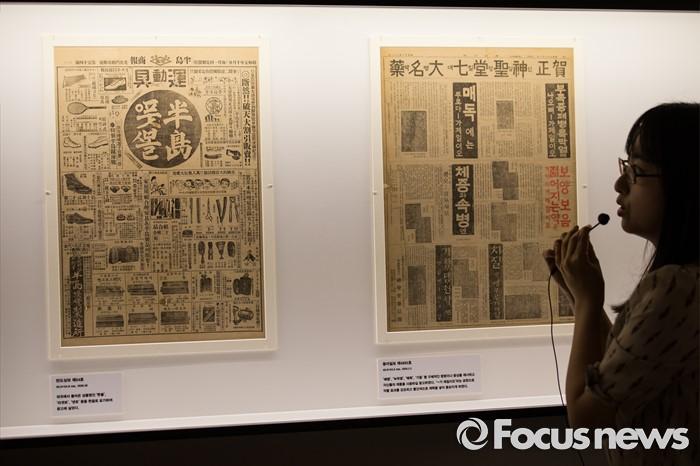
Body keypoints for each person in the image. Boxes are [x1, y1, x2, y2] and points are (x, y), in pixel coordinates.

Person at [543, 102, 699, 465]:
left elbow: (586, 420)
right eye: (625, 166)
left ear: (684, 184)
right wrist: (583, 296)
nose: (619, 184)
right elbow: (630, 370)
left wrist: (586, 303)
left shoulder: (676, 286)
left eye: (636, 171)